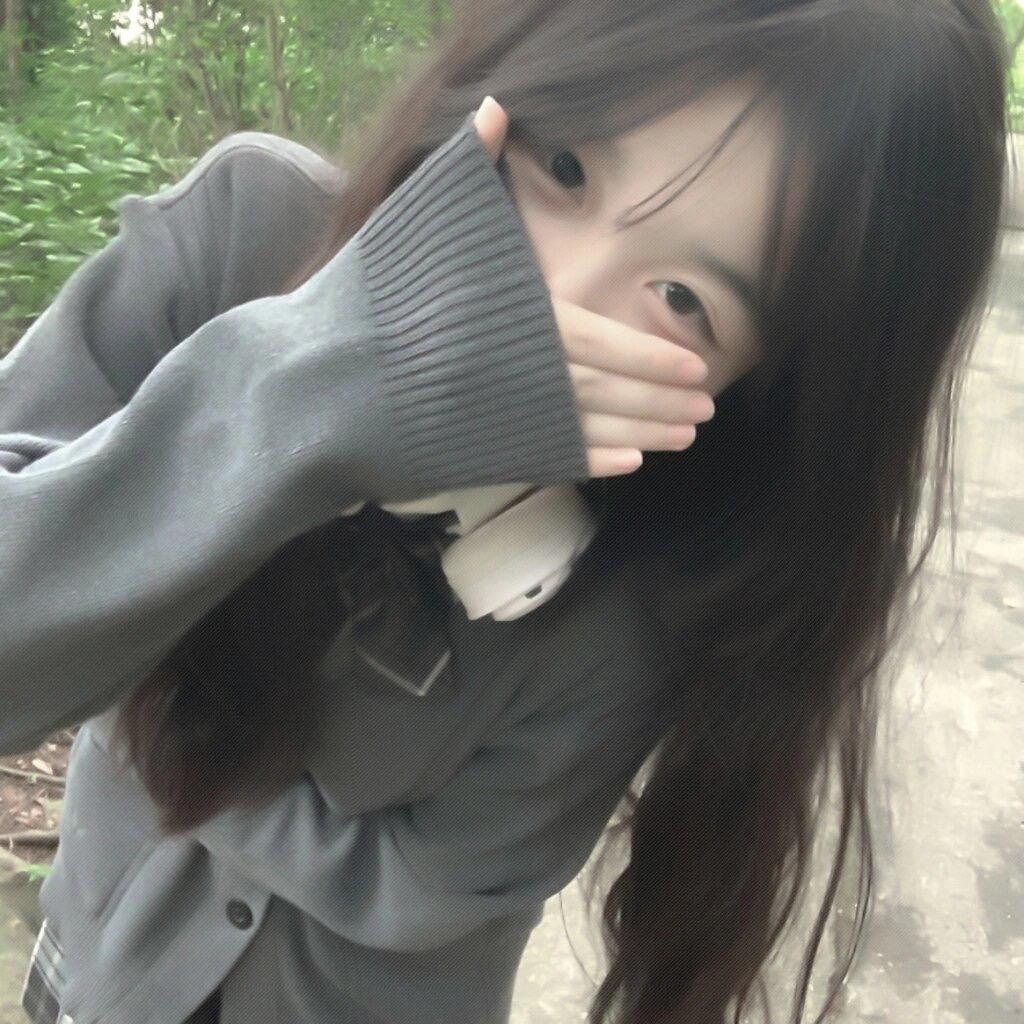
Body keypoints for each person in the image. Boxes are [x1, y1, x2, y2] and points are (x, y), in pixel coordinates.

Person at [3, 0, 1010, 1022]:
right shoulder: (242, 237)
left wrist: (157, 729)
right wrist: (326, 382)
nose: (546, 300)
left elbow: (435, 883)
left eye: (682, 299)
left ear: (768, 389)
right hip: (101, 971)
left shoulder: (642, 592)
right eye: (564, 168)